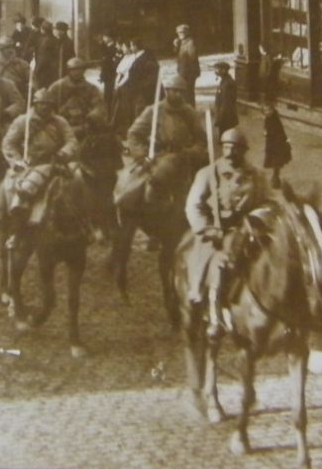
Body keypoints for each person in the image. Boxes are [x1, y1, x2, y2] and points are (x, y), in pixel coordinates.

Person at [182, 128, 270, 335]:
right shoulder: (207, 174)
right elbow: (193, 205)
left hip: (249, 230)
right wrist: (206, 228)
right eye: (227, 147)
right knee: (219, 265)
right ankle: (214, 315)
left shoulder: (256, 175)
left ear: (244, 151)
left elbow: (269, 202)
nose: (231, 152)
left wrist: (258, 220)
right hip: (218, 232)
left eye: (236, 148)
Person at [0, 87, 79, 233]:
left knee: (79, 183)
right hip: (29, 164)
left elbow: (71, 140)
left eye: (48, 104)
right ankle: (17, 227)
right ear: (34, 104)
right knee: (15, 188)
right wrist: (17, 161)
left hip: (56, 162)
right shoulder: (23, 121)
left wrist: (64, 152)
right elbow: (8, 143)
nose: (45, 107)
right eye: (41, 103)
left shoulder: (60, 121)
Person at [123, 75, 208, 205]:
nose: (178, 95)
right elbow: (134, 133)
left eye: (181, 92)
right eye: (175, 91)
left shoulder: (189, 112)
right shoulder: (153, 111)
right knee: (136, 190)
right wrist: (141, 154)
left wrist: (193, 152)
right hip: (159, 157)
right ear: (167, 91)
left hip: (185, 157)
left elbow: (201, 139)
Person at [263, 101, 292, 188]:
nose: (267, 112)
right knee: (274, 162)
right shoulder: (268, 119)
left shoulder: (275, 119)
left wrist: (267, 133)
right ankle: (275, 178)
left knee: (276, 162)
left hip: (277, 144)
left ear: (272, 110)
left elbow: (278, 131)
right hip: (271, 143)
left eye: (269, 110)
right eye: (265, 110)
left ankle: (275, 180)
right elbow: (266, 128)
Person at [211, 59, 239, 133]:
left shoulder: (228, 84)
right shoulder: (225, 81)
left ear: (223, 70)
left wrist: (221, 115)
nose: (216, 71)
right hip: (224, 113)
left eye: (217, 69)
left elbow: (226, 101)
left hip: (226, 115)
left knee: (226, 134)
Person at [175, 23, 200, 94]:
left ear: (187, 32)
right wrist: (176, 46)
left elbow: (192, 58)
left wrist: (185, 73)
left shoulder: (190, 43)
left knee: (188, 94)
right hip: (183, 72)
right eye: (178, 33)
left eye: (182, 32)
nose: (180, 34)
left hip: (188, 73)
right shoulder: (182, 42)